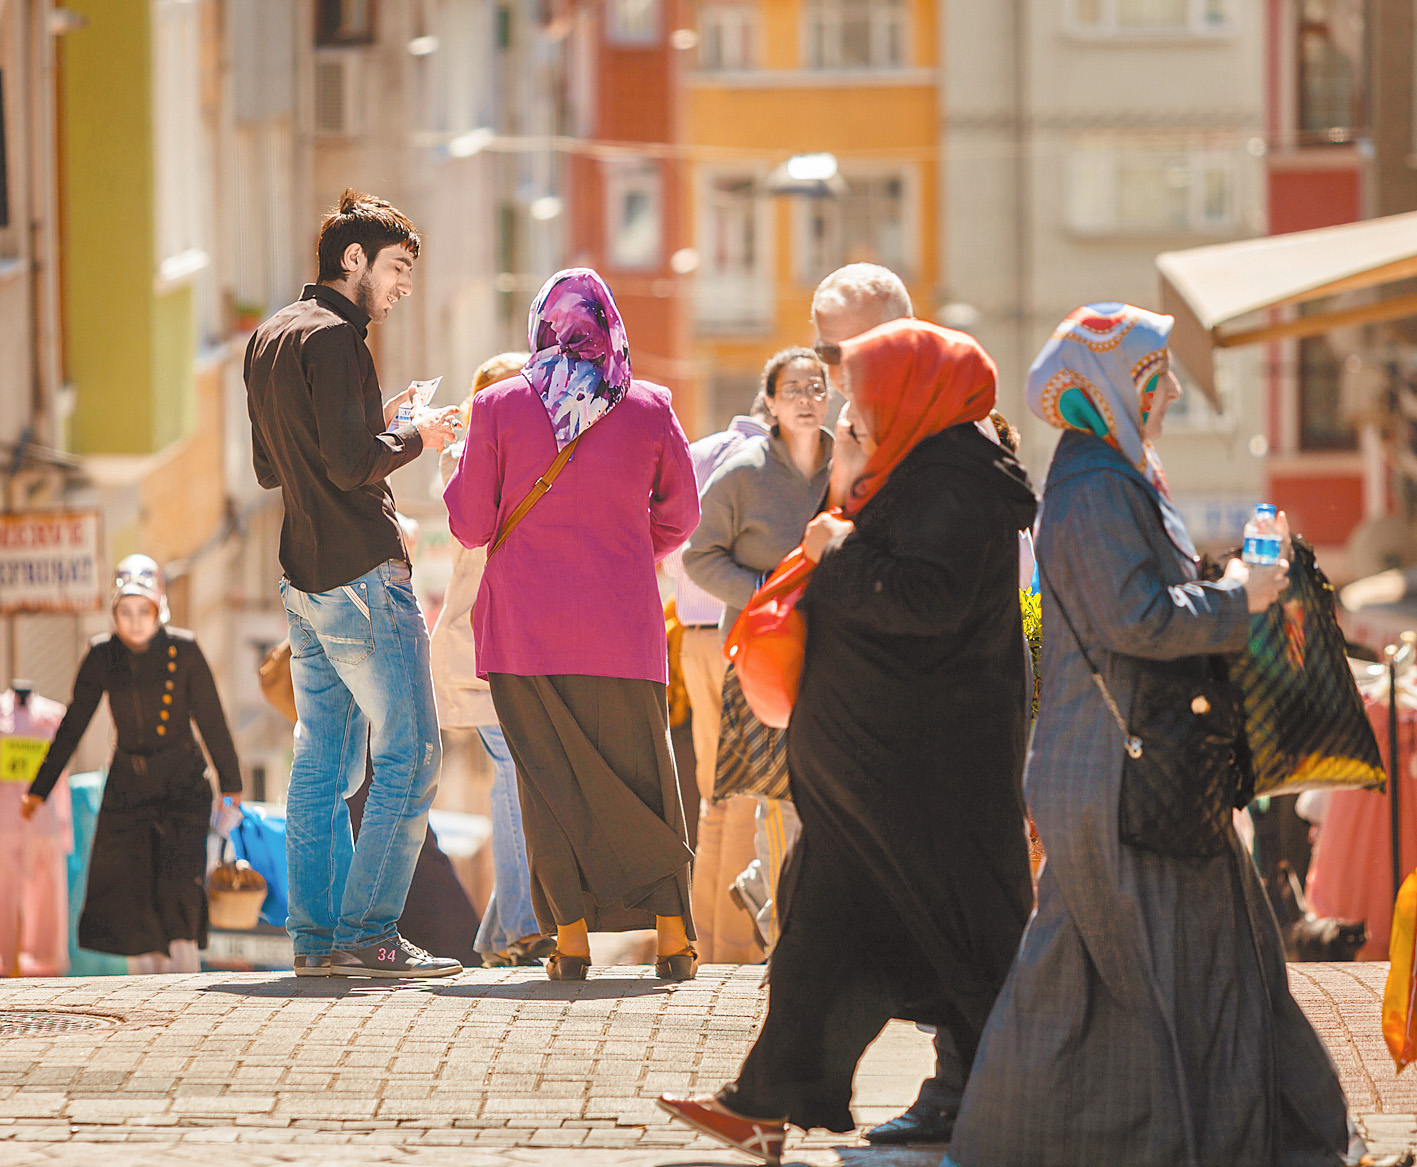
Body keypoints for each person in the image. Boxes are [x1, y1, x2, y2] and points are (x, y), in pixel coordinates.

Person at [944, 303, 1348, 1167]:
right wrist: (1238, 597)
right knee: (1181, 971)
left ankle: (1279, 1141)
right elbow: (1136, 620)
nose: (1165, 392)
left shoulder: (1120, 478)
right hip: (1120, 777)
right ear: (1111, 387)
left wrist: (1231, 584)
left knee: (1107, 976)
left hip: (1130, 770)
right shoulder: (1093, 487)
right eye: (1152, 375)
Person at [659, 318, 1039, 1163]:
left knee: (972, 944)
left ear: (913, 389)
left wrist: (837, 549)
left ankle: (1034, 1099)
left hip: (925, 773)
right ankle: (763, 1104)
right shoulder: (918, 468)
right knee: (829, 931)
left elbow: (920, 600)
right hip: (883, 772)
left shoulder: (955, 483)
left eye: (868, 388)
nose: (851, 407)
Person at [444, 268, 700, 982]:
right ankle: (674, 939)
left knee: (548, 784)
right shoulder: (648, 404)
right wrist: (624, 550)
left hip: (526, 632)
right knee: (647, 774)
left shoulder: (497, 405)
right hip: (624, 626)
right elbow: (681, 513)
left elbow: (469, 523)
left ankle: (572, 943)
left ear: (541, 324)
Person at [244, 188, 463, 979]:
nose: (404, 286)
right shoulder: (339, 338)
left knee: (322, 765)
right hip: (363, 574)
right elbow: (347, 463)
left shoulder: (271, 334)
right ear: (354, 261)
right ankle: (369, 934)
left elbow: (275, 465)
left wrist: (383, 419)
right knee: (411, 755)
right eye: (398, 268)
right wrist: (418, 433)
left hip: (302, 581)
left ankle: (315, 942)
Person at [20, 556, 243, 974]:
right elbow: (73, 724)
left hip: (183, 786)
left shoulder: (185, 649)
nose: (135, 621)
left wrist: (232, 787)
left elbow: (212, 721)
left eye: (144, 610)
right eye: (126, 611)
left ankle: (185, 985)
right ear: (113, 613)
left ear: (160, 608)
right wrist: (38, 788)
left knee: (179, 888)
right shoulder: (102, 655)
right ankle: (144, 995)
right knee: (131, 894)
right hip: (129, 788)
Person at [682, 346, 833, 953]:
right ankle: (773, 922)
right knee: (768, 792)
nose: (805, 398)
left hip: (835, 651)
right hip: (764, 654)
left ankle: (774, 898)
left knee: (821, 787)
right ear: (770, 401)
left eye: (816, 387)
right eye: (792, 388)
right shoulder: (743, 470)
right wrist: (764, 597)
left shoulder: (847, 463)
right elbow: (697, 556)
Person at [430, 349, 553, 968]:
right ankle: (523, 924)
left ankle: (501, 934)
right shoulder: (467, 455)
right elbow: (473, 524)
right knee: (513, 767)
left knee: (523, 770)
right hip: (480, 639)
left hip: (520, 638)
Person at [661, 401, 772, 965]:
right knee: (750, 792)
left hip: (693, 637)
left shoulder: (696, 451)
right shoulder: (764, 464)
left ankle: (706, 941)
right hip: (741, 631)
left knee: (715, 796)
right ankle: (732, 950)